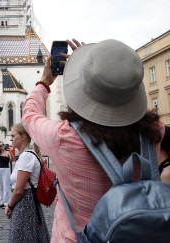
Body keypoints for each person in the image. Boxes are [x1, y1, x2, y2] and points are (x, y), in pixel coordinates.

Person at [22, 39, 165, 242]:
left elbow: (29, 116)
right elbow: (139, 111)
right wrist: (102, 69)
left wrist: (44, 82)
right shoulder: (154, 130)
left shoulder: (65, 138)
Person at [4, 123, 50, 243]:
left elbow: (19, 190)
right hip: (27, 204)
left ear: (23, 137)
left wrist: (9, 205)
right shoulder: (28, 155)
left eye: (13, 135)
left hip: (24, 205)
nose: (11, 138)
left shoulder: (26, 157)